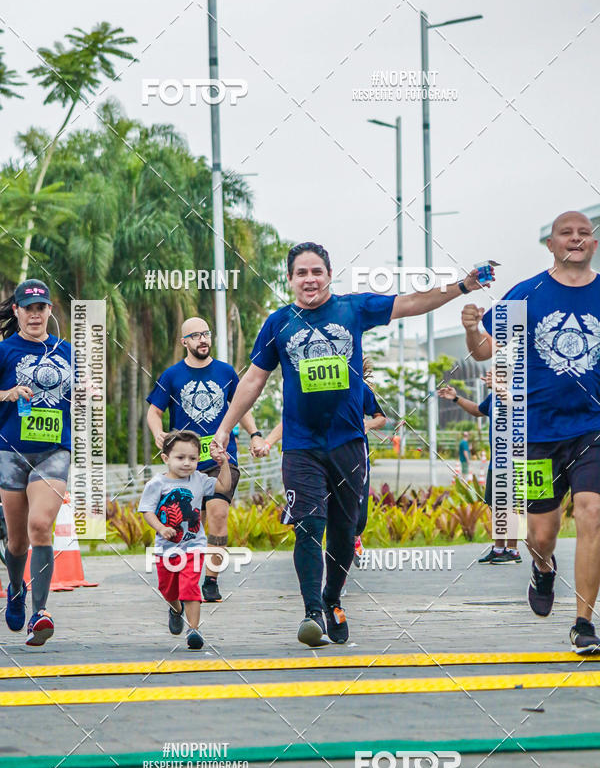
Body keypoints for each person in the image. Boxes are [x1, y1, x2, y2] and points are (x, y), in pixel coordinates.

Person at [209, 240, 491, 647]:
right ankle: (311, 614)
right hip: (301, 445)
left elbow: (412, 302)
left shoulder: (353, 308)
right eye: (301, 273)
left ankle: (332, 599)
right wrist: (225, 428)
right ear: (289, 280)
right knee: (309, 524)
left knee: (344, 530)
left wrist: (462, 287)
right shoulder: (278, 323)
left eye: (316, 271)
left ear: (329, 275)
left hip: (347, 444)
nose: (310, 279)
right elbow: (254, 379)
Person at [463, 210, 600, 654]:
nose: (576, 238)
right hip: (536, 431)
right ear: (552, 245)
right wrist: (469, 329)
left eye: (584, 233)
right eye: (567, 233)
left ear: (593, 245)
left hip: (592, 428)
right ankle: (542, 569)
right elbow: (487, 349)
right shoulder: (527, 294)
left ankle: (583, 622)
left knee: (592, 512)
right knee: (541, 534)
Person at [146, 317, 266, 603]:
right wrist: (158, 432)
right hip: (185, 463)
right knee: (188, 522)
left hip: (221, 456)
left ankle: (211, 580)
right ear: (184, 342)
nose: (203, 339)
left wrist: (256, 434)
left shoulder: (225, 372)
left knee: (218, 514)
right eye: (195, 335)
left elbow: (241, 407)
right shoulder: (172, 375)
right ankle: (180, 581)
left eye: (206, 334)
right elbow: (154, 412)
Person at [0, 279, 73, 646]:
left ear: (49, 311)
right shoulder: (4, 350)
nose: (34, 314)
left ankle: (40, 613)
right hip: (10, 452)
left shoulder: (67, 350)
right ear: (16, 311)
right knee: (16, 542)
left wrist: (87, 390)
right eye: (27, 308)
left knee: (40, 525)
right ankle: (16, 587)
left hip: (53, 452)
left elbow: (79, 390)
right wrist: (8, 393)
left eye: (41, 307)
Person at [259, 365, 388, 568]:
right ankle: (330, 580)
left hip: (353, 460)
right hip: (316, 461)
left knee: (358, 519)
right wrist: (268, 442)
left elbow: (381, 418)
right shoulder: (309, 391)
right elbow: (289, 420)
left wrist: (366, 424)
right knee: (320, 518)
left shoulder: (358, 387)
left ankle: (354, 538)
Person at [138, 430, 231, 649]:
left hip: (193, 545)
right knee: (167, 590)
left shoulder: (199, 479)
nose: (187, 463)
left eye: (193, 458)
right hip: (166, 549)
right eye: (180, 458)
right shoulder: (156, 484)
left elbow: (223, 487)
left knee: (190, 586)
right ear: (165, 458)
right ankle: (176, 609)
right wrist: (161, 528)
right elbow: (147, 511)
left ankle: (194, 629)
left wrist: (224, 464)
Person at [438, 377, 521, 564]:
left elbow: (513, 404)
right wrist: (455, 398)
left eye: (494, 373)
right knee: (496, 506)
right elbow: (477, 410)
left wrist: (499, 387)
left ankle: (513, 550)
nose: (488, 376)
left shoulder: (517, 393)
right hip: (496, 462)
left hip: (512, 461)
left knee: (509, 507)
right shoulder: (493, 397)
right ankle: (499, 549)